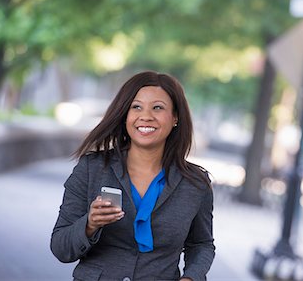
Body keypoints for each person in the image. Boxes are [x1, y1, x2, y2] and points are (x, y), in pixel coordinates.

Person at [50, 71, 215, 281]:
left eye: (158, 107)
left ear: (175, 117)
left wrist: (191, 277)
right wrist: (90, 224)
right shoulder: (92, 169)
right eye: (136, 107)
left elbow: (201, 244)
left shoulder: (196, 183)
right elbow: (60, 248)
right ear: (125, 115)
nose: (145, 116)